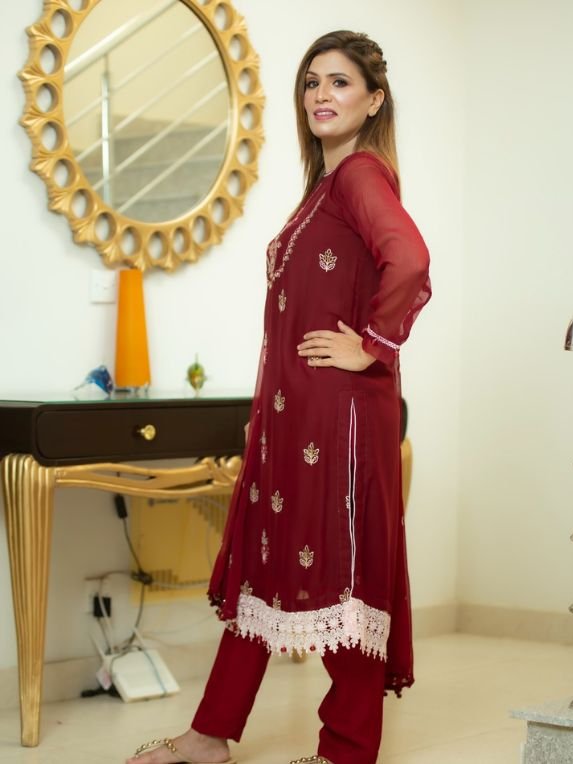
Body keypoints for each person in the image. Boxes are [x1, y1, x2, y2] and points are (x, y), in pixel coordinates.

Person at [127, 29, 431, 764]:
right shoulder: (325, 186)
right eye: (311, 82)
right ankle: (210, 734)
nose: (321, 95)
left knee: (340, 575)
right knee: (269, 568)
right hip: (299, 414)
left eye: (340, 82)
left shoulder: (360, 175)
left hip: (339, 412)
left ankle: (347, 749)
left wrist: (371, 344)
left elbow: (411, 259)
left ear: (374, 100)